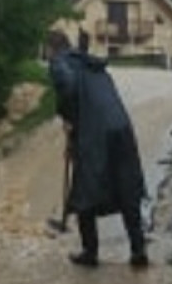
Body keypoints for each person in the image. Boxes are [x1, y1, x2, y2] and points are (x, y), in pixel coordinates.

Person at [44, 29, 149, 268]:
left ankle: (90, 253)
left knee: (85, 189)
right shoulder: (91, 63)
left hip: (94, 132)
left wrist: (68, 119)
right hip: (121, 126)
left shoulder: (60, 63)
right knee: (126, 186)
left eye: (47, 51)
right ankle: (138, 250)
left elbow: (68, 87)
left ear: (51, 48)